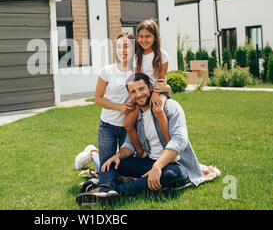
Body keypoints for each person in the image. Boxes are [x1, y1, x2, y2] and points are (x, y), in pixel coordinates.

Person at [76, 73, 203, 206]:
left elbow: (179, 140)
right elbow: (129, 145)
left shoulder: (170, 106)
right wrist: (119, 155)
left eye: (141, 89)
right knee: (111, 163)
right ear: (130, 95)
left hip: (173, 164)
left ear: (150, 87)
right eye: (133, 91)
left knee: (173, 174)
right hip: (148, 162)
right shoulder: (137, 117)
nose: (139, 94)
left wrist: (157, 166)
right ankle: (101, 176)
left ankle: (115, 192)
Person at [93, 32, 136, 190]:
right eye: (118, 46)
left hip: (128, 127)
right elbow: (97, 98)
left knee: (124, 165)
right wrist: (119, 107)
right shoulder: (106, 71)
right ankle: (106, 188)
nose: (122, 50)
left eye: (126, 46)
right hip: (108, 126)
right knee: (107, 166)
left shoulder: (138, 71)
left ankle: (92, 155)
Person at [124, 19, 171, 159]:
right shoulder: (137, 56)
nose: (144, 40)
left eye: (148, 36)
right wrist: (134, 100)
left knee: (157, 110)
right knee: (127, 123)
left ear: (155, 37)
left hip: (158, 90)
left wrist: (155, 94)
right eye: (141, 37)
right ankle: (140, 151)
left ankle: (170, 147)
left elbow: (161, 79)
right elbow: (137, 78)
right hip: (142, 93)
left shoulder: (162, 55)